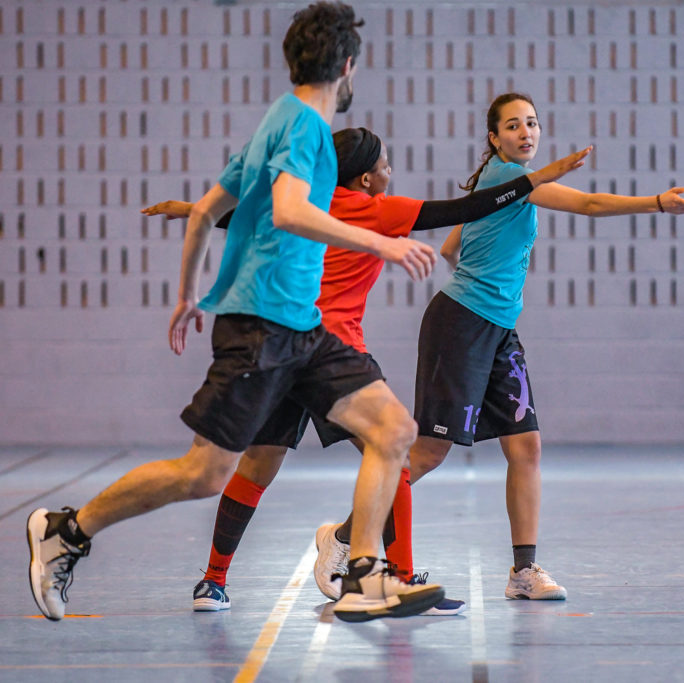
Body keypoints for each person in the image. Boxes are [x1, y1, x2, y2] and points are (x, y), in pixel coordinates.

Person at [27, 2, 446, 624]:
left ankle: (363, 572)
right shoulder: (304, 126)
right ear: (348, 66)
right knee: (202, 473)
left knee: (393, 429)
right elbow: (288, 211)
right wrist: (381, 241)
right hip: (260, 329)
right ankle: (67, 529)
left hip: (301, 327)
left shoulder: (274, 120)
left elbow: (202, 212)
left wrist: (185, 294)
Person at [143, 129, 591, 616]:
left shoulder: (305, 204)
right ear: (366, 178)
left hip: (285, 347)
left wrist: (192, 210)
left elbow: (245, 218)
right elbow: (465, 209)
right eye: (385, 164)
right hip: (336, 359)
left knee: (255, 469)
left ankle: (213, 581)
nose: (390, 171)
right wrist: (535, 181)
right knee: (392, 456)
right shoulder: (381, 210)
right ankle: (397, 577)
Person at [406, 92, 684, 600]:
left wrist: (488, 283)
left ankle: (524, 572)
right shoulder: (506, 179)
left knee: (526, 446)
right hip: (461, 324)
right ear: (495, 138)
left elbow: (451, 247)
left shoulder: (492, 185)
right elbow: (587, 204)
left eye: (533, 123)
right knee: (430, 452)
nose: (527, 133)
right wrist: (656, 202)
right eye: (514, 126)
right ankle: (350, 541)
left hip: (497, 328)